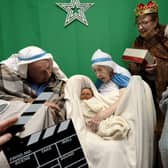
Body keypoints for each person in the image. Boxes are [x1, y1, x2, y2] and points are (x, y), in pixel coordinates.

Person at [128, 1, 168, 167]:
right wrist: (146, 69)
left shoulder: (166, 36)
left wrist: (161, 67)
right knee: (154, 133)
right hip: (150, 95)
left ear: (155, 22)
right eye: (138, 24)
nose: (141, 27)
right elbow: (132, 69)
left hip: (166, 93)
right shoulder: (138, 42)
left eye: (145, 23)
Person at [0, 46, 68, 122]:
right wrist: (33, 104)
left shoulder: (57, 83)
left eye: (48, 68)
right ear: (26, 72)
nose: (48, 74)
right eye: (41, 72)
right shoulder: (6, 79)